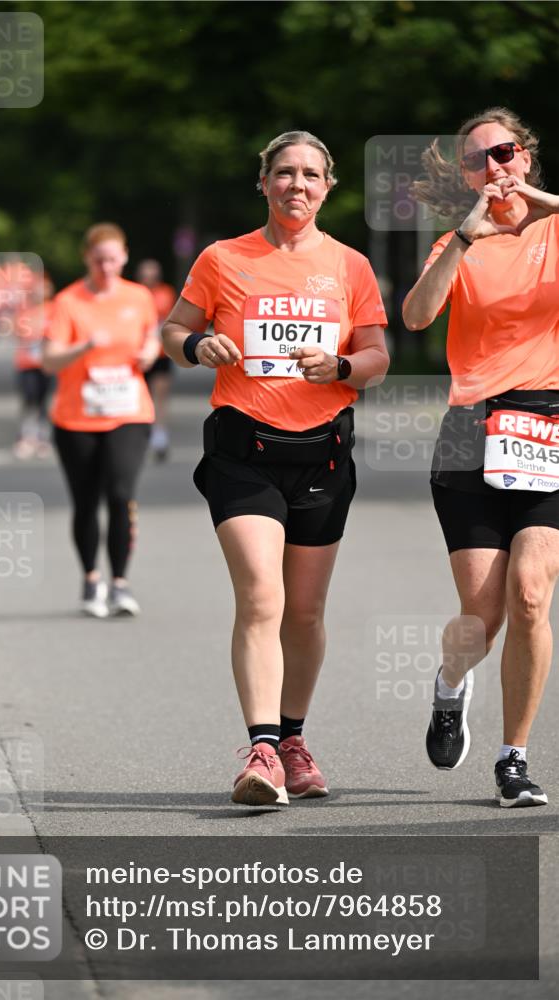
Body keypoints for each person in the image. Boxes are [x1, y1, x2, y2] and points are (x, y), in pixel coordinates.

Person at [162, 131, 389, 806]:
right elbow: (172, 331)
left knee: (307, 611)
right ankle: (260, 748)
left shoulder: (348, 267)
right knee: (263, 595)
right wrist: (199, 344)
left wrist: (342, 366)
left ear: (327, 187)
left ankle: (292, 740)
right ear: (262, 183)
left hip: (319, 451)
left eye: (310, 174)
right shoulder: (223, 258)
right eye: (283, 173)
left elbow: (376, 355)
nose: (296, 184)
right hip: (243, 450)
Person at [403, 107, 559, 807]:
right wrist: (468, 233)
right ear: (463, 177)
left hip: (548, 424)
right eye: (477, 161)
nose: (492, 168)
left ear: (523, 155)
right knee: (482, 615)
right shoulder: (455, 242)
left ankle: (513, 758)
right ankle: (448, 685)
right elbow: (413, 317)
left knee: (530, 594)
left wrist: (535, 204)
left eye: (503, 153)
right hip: (471, 428)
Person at [43, 223, 159, 618]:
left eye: (112, 259)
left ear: (124, 257)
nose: (106, 267)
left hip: (129, 412)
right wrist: (83, 347)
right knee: (86, 501)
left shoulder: (139, 296)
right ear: (86, 259)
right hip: (77, 417)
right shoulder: (68, 301)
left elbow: (153, 335)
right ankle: (92, 579)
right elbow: (49, 359)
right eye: (98, 260)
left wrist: (149, 350)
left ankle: (121, 585)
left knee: (120, 492)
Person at [135, 259, 176, 461]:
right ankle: (141, 434)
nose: (148, 279)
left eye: (152, 275)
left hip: (160, 353)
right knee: (140, 397)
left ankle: (160, 435)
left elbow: (167, 320)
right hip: (138, 353)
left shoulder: (165, 293)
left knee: (160, 395)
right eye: (145, 275)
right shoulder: (133, 294)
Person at [14, 275, 54, 459]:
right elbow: (20, 333)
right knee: (29, 401)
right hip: (27, 364)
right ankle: (27, 436)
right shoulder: (25, 312)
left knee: (45, 402)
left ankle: (43, 438)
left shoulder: (54, 310)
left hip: (47, 364)